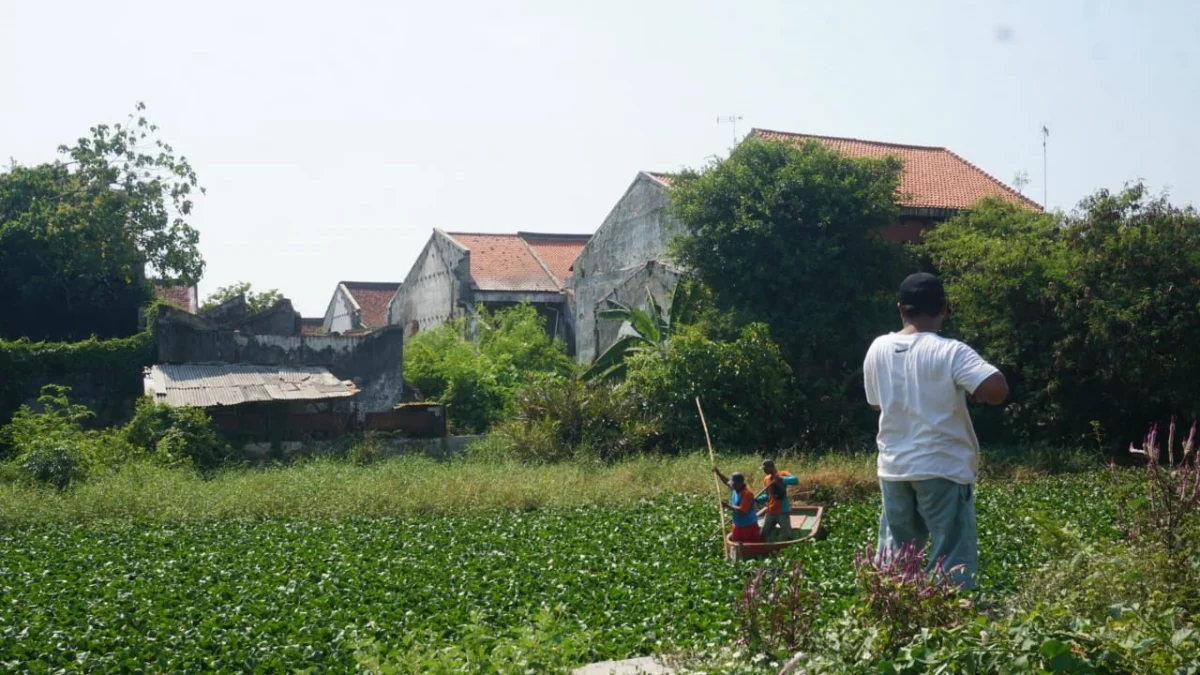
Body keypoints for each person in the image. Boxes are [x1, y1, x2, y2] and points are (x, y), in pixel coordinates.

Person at [862, 272, 1009, 590]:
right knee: (950, 559)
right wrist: (973, 392)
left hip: (894, 469)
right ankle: (947, 622)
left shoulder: (878, 348)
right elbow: (997, 388)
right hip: (943, 467)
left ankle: (894, 616)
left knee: (896, 557)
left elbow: (877, 404)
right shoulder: (951, 351)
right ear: (943, 307)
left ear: (901, 309)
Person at [712, 468, 761, 543]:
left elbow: (742, 511)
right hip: (737, 524)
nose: (731, 485)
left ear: (740, 483)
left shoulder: (747, 494)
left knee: (750, 545)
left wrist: (727, 506)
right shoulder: (735, 488)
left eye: (733, 484)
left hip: (748, 525)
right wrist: (718, 473)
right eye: (732, 483)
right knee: (735, 543)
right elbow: (726, 481)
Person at [756, 460, 799, 542]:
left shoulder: (782, 474)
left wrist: (781, 479)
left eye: (765, 469)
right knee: (763, 533)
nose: (764, 471)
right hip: (771, 511)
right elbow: (767, 495)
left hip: (782, 511)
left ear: (771, 467)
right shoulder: (766, 479)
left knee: (787, 535)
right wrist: (757, 500)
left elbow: (795, 480)